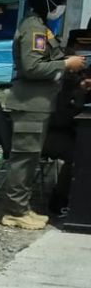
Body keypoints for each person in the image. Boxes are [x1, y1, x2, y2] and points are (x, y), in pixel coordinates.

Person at [2, 0, 86, 229]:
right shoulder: (34, 29)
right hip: (30, 105)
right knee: (23, 159)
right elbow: (32, 67)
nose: (60, 6)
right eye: (58, 1)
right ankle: (14, 212)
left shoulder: (41, 27)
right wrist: (65, 64)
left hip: (37, 105)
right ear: (46, 1)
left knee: (30, 158)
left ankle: (22, 207)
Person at [43, 70, 91, 216]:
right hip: (50, 134)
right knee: (80, 154)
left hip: (70, 132)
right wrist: (81, 93)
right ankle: (59, 200)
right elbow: (60, 119)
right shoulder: (64, 87)